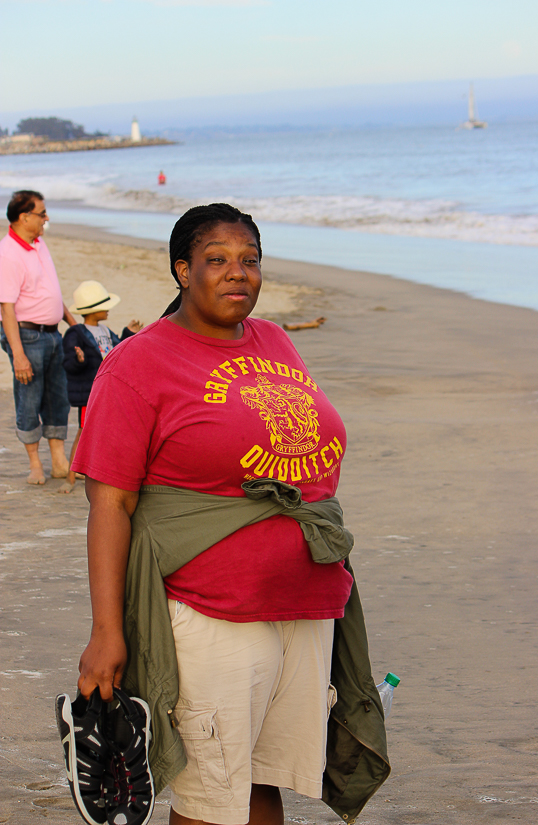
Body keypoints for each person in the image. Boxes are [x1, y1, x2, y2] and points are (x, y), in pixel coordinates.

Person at [73, 204, 389, 825]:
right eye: (216, 260)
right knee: (210, 797)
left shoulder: (275, 339)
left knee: (261, 784)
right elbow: (110, 501)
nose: (236, 274)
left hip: (305, 604)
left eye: (249, 260)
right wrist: (106, 630)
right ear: (182, 271)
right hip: (210, 609)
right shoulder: (138, 363)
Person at [0, 190, 76, 485]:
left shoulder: (39, 244)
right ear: (24, 217)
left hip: (53, 333)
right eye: (42, 213)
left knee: (58, 396)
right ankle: (35, 464)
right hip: (26, 336)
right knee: (29, 397)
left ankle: (58, 461)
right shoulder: (8, 254)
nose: (46, 219)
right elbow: (6, 308)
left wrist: (73, 325)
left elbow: (51, 291)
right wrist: (18, 354)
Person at [59, 280, 142, 493]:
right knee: (83, 431)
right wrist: (80, 359)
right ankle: (69, 478)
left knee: (104, 431)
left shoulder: (105, 330)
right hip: (89, 393)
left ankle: (99, 472)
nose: (108, 310)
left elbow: (116, 351)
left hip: (106, 390)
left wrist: (127, 333)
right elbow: (68, 363)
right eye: (104, 306)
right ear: (93, 310)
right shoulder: (75, 333)